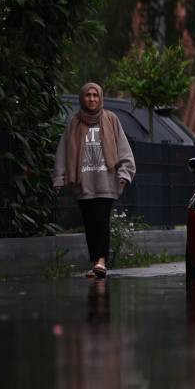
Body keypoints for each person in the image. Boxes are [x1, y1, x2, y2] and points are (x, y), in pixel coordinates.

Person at [53, 82, 136, 278]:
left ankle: (101, 261)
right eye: (88, 95)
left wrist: (124, 173)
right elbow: (63, 152)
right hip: (83, 183)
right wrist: (59, 177)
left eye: (95, 95)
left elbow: (124, 149)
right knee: (90, 223)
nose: (92, 99)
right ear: (83, 98)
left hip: (106, 182)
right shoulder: (74, 122)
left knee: (101, 220)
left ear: (100, 98)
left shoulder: (111, 119)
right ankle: (95, 263)